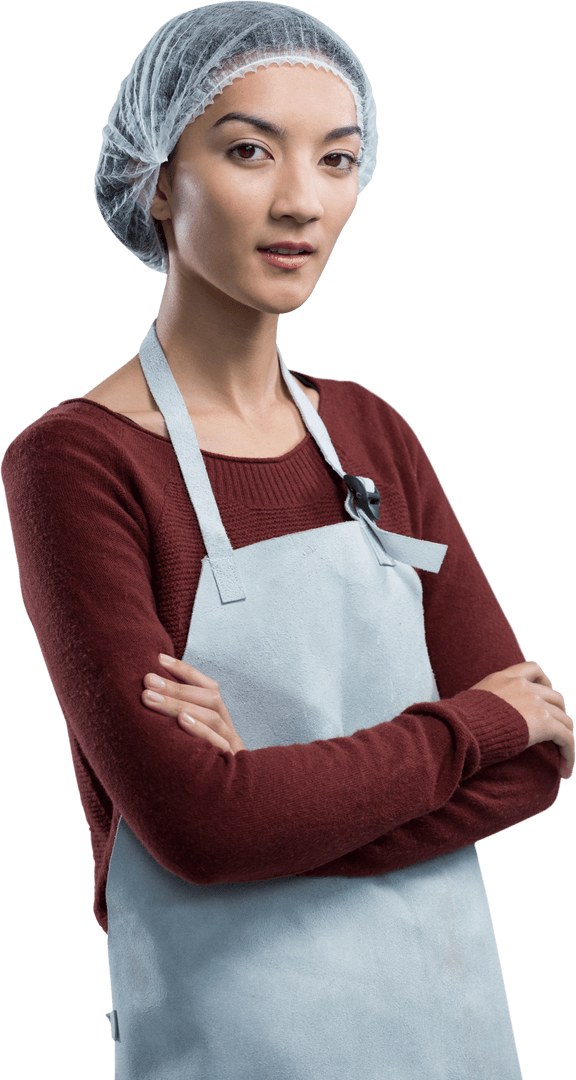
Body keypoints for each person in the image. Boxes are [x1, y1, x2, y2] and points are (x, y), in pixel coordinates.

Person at [1, 4, 573, 1078]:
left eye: (340, 157)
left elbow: (536, 760)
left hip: (454, 1036)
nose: (303, 200)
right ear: (159, 178)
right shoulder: (75, 464)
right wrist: (464, 732)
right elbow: (198, 830)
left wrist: (267, 798)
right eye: (249, 150)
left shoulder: (370, 430)